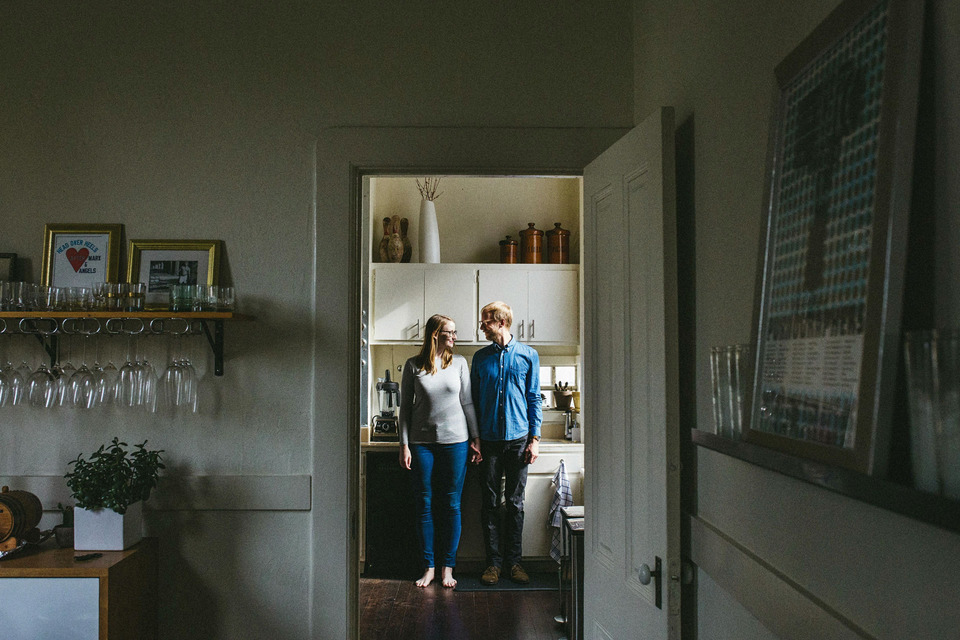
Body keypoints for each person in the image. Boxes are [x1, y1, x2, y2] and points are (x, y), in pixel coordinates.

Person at [399, 314, 481, 588]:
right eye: (450, 332)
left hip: (456, 442)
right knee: (425, 504)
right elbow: (405, 410)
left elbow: (467, 403)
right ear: (435, 334)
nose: (455, 337)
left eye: (455, 332)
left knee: (451, 504)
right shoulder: (413, 366)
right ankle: (429, 567)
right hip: (422, 445)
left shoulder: (459, 363)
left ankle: (447, 568)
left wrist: (476, 438)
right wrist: (404, 444)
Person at [471, 301, 542, 585]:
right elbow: (472, 403)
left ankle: (514, 563)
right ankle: (493, 565)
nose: (481, 326)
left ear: (501, 322)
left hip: (519, 441)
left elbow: (534, 398)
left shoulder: (528, 355)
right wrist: (473, 439)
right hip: (487, 442)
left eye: (485, 321)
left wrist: (535, 440)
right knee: (489, 504)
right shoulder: (480, 358)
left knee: (515, 504)